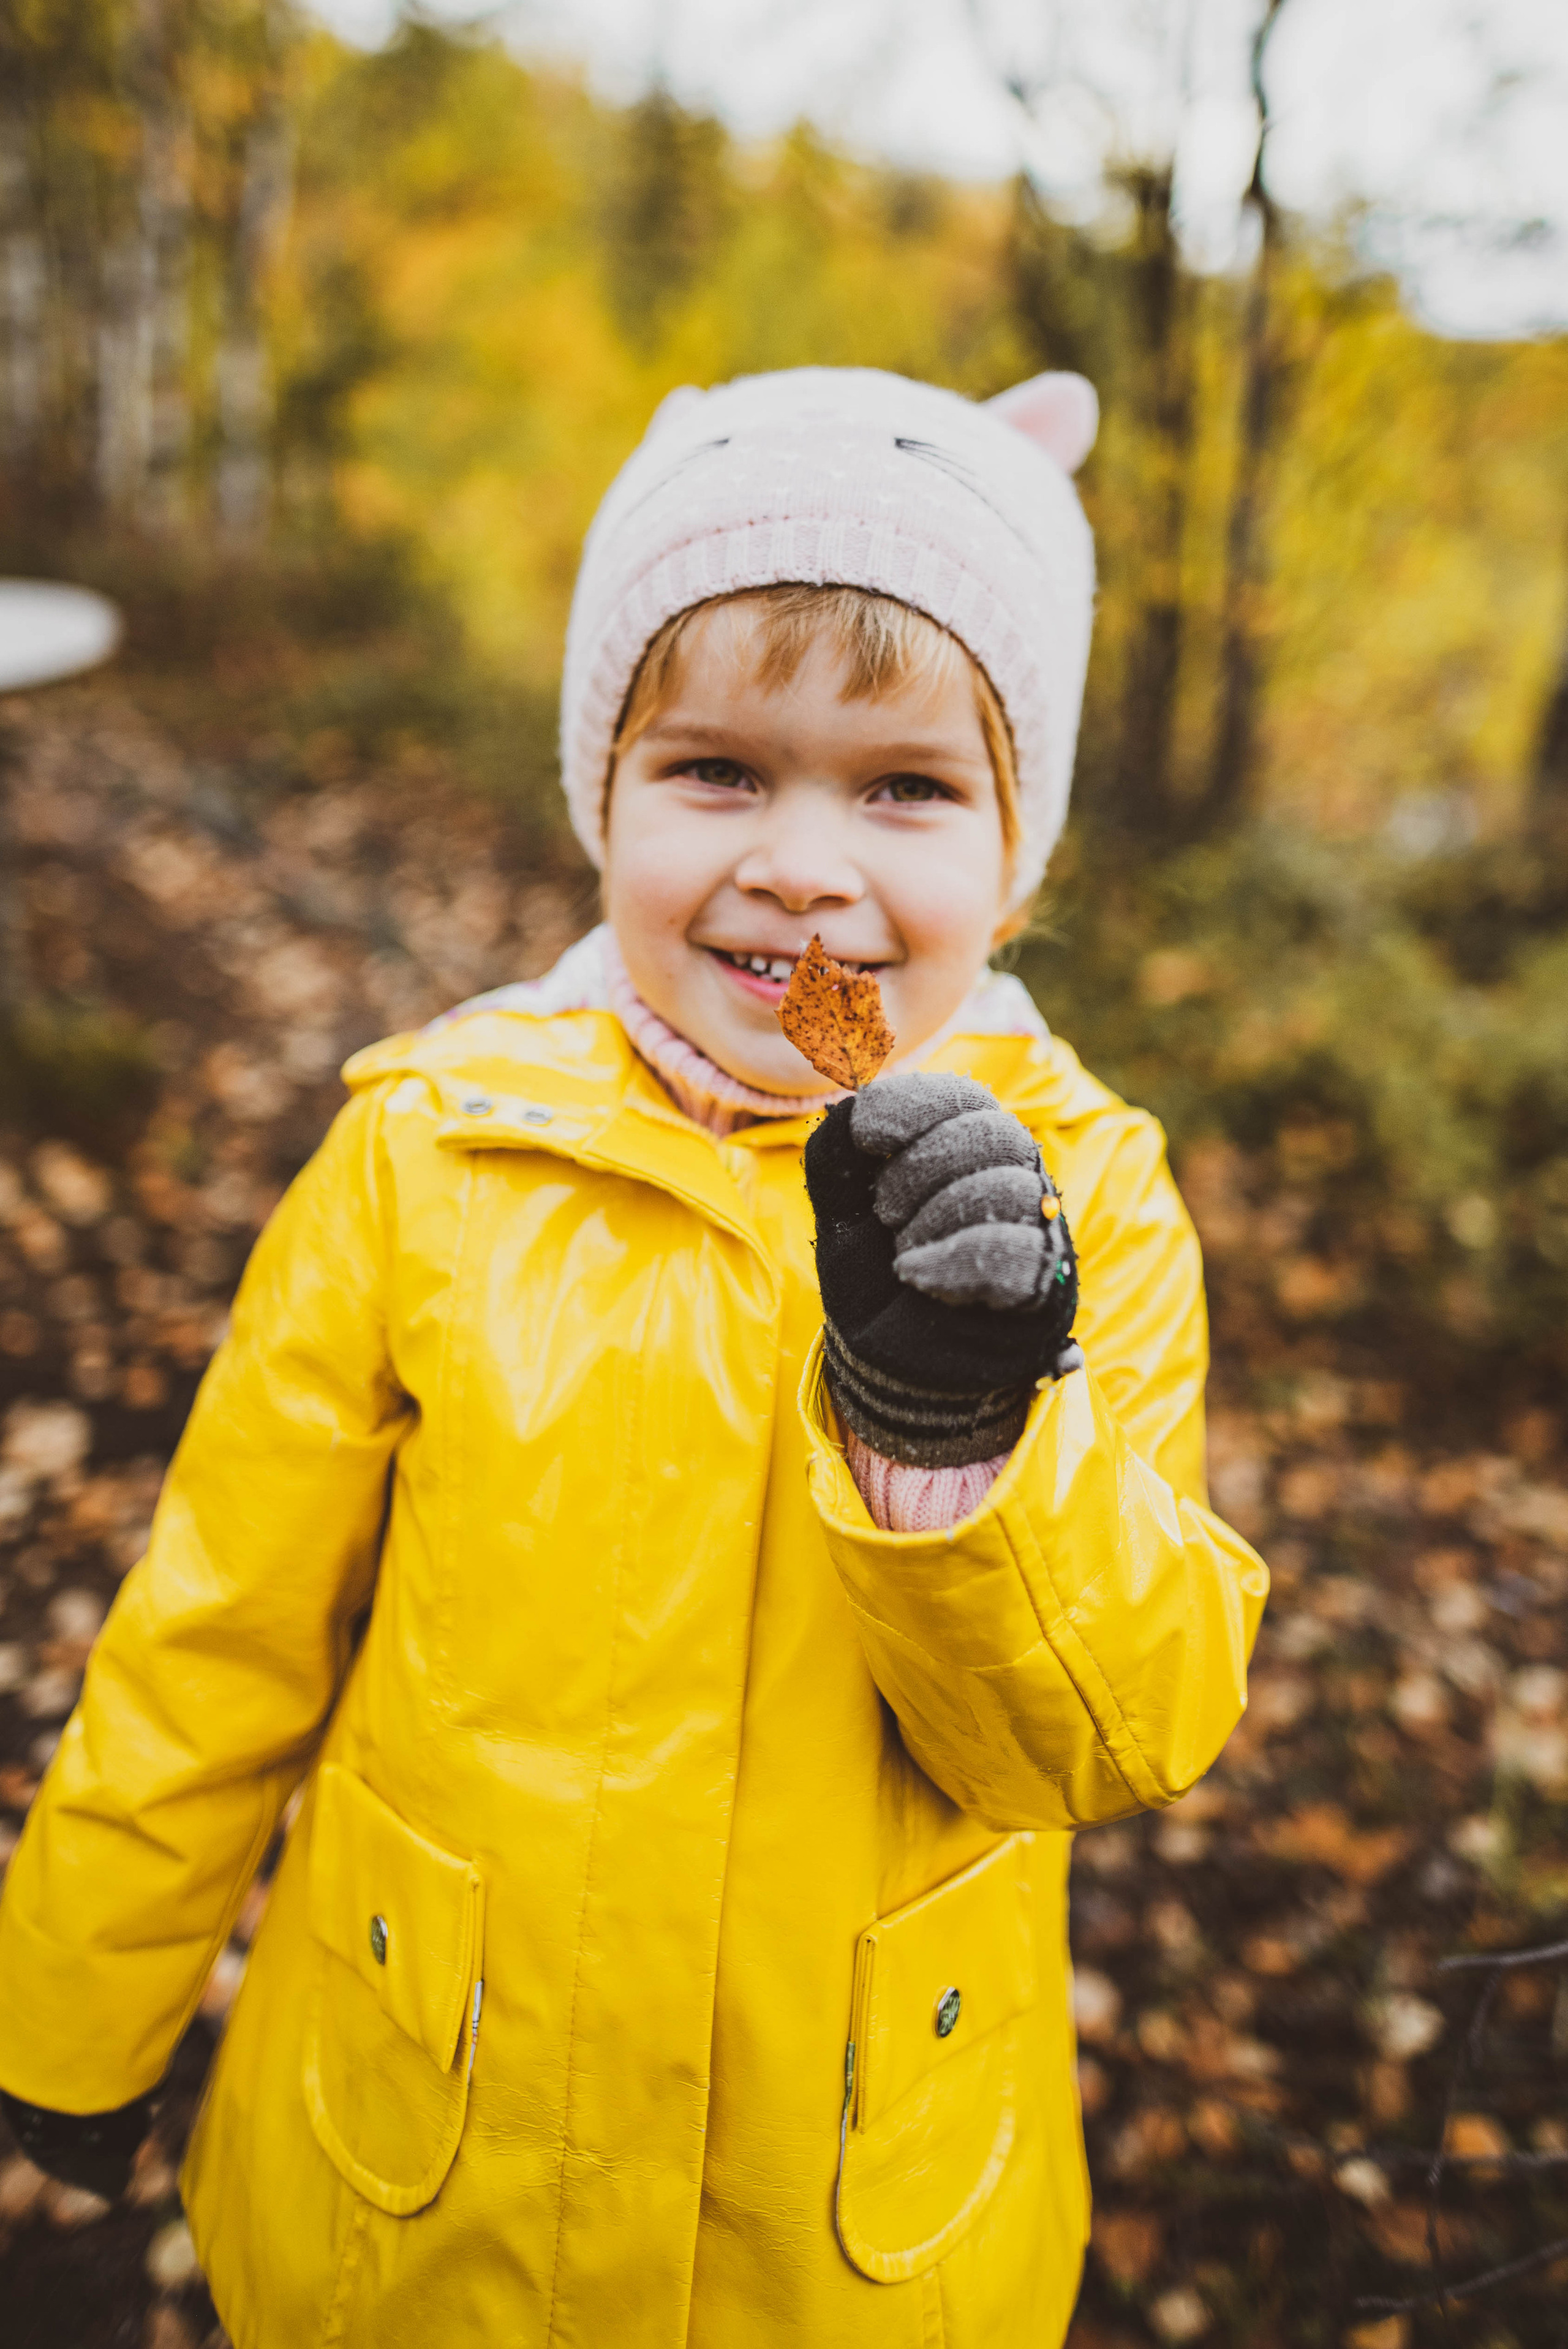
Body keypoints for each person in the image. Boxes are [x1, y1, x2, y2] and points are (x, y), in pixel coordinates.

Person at [0, 365, 1267, 2349]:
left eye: (907, 786)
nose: (804, 864)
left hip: (842, 2233)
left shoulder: (1083, 1200)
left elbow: (1111, 1735)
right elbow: (217, 1629)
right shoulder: (429, 1151)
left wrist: (960, 1422)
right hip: (426, 2184)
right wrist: (75, 2004)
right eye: (720, 772)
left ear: (1022, 856)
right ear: (605, 789)